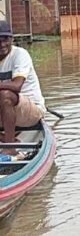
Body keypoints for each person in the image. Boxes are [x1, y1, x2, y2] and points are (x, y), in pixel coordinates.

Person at [0, 21, 45, 155]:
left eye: (5, 39)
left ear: (12, 39)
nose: (2, 45)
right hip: (4, 111)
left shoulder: (20, 55)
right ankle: (6, 138)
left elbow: (17, 86)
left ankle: (10, 147)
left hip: (29, 111)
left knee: (5, 95)